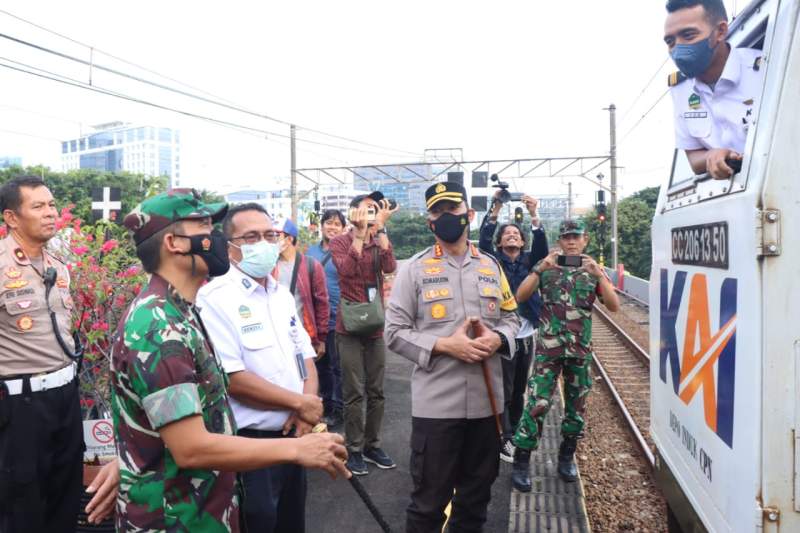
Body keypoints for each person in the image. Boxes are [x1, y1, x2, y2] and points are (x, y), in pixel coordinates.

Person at [112, 189, 348, 532]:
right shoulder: (158, 327)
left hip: (202, 507)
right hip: (174, 518)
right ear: (175, 244)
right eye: (204, 226)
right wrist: (296, 451)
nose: (215, 237)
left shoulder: (180, 312)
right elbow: (191, 448)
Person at [385, 181, 521, 533]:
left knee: (475, 503)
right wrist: (446, 346)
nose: (446, 217)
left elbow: (511, 317)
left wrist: (498, 339)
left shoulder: (491, 266)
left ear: (469, 215)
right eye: (437, 212)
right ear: (429, 220)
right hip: (436, 409)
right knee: (428, 504)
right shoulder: (413, 270)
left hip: (486, 406)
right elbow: (394, 333)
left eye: (452, 210)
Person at [0, 176, 117, 532]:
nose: (50, 213)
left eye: (52, 205)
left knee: (64, 502)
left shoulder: (58, 266)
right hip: (19, 407)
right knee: (22, 510)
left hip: (65, 399)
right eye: (38, 206)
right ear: (11, 218)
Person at [197, 203, 324, 533]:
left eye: (270, 235)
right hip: (250, 447)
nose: (264, 243)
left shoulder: (280, 295)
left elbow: (305, 357)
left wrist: (307, 408)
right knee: (258, 524)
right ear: (230, 247)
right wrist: (299, 403)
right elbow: (233, 381)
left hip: (296, 436)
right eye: (251, 237)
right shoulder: (213, 298)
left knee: (291, 524)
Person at [510, 219, 620, 492]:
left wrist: (599, 276)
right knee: (538, 402)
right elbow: (520, 297)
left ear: (585, 240)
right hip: (549, 350)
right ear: (559, 240)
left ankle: (566, 457)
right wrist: (539, 268)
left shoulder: (593, 270)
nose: (571, 241)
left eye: (576, 236)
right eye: (566, 236)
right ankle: (522, 461)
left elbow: (614, 305)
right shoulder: (548, 268)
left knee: (577, 408)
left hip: (580, 352)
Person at [329, 191, 398, 475]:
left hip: (374, 326)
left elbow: (391, 266)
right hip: (348, 327)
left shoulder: (378, 239)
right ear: (354, 211)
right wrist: (358, 235)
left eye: (375, 209)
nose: (371, 212)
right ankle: (354, 448)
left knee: (376, 390)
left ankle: (373, 445)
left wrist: (380, 229)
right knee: (353, 391)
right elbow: (345, 270)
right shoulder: (339, 241)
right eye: (367, 208)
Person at [478, 192, 549, 463]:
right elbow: (484, 240)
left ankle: (517, 428)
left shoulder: (531, 260)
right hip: (503, 334)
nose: (511, 236)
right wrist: (495, 209)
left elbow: (542, 248)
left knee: (520, 387)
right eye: (506, 234)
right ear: (500, 240)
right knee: (503, 388)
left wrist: (534, 214)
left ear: (522, 241)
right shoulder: (492, 260)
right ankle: (504, 436)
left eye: (515, 234)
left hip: (527, 334)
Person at [665, 0, 765, 179]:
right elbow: (694, 157)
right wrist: (712, 156)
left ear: (720, 31)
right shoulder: (680, 90)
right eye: (670, 41)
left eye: (688, 35)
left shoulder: (765, 68)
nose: (678, 48)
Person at [273, 218, 330, 373]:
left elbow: (322, 303)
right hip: (275, 336)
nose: (270, 240)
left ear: (289, 238)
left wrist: (321, 339)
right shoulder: (268, 265)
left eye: (275, 235)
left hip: (303, 336)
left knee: (307, 377)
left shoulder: (311, 265)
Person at [307, 209, 346, 427]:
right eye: (329, 223)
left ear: (343, 228)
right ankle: (324, 405)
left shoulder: (347, 250)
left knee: (338, 367)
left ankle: (339, 409)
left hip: (340, 318)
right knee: (319, 367)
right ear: (322, 226)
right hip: (315, 320)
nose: (332, 227)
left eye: (337, 224)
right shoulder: (311, 252)